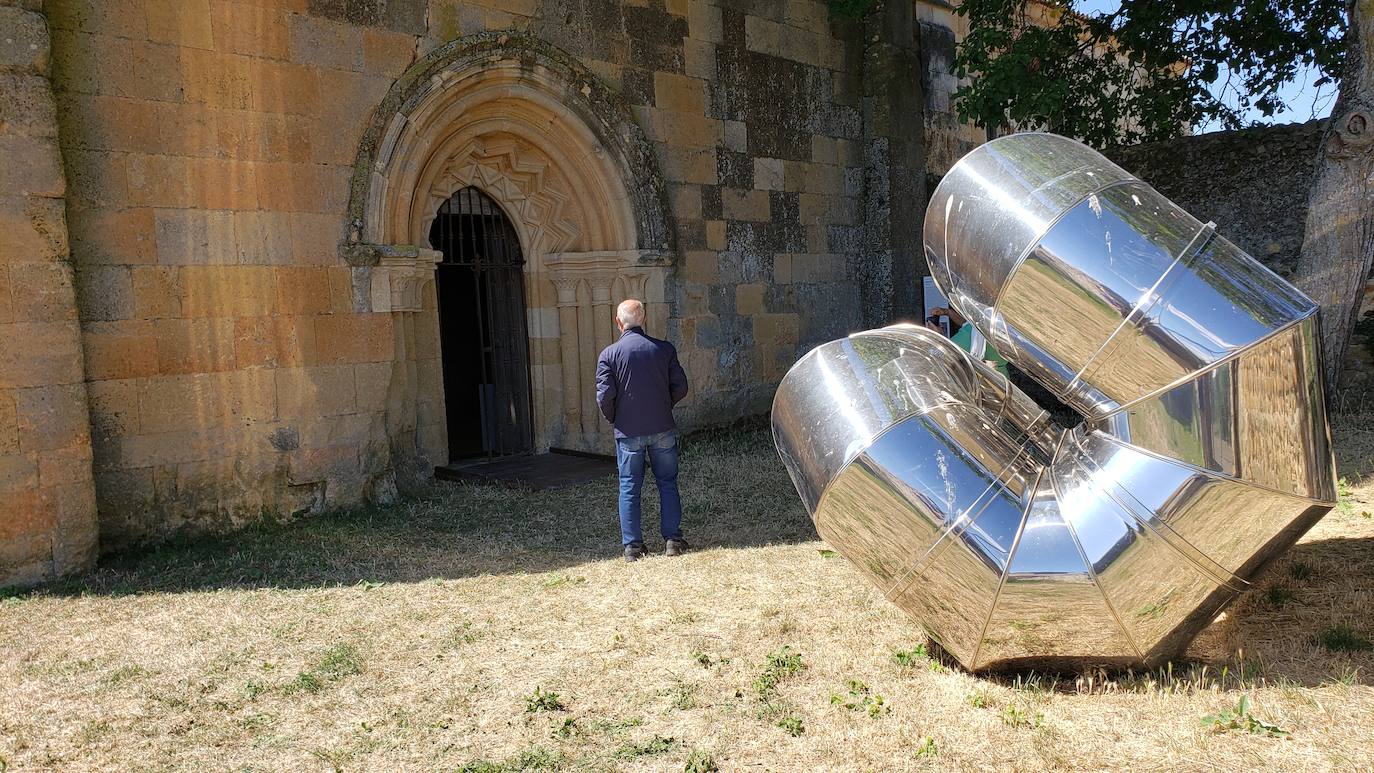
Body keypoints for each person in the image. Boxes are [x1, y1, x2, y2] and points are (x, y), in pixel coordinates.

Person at [595, 299, 690, 562]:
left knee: (629, 487)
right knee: (667, 483)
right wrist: (663, 405)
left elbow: (604, 397)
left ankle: (633, 548)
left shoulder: (609, 355)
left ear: (618, 322)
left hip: (628, 431)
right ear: (643, 319)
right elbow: (681, 386)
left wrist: (617, 418)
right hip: (662, 427)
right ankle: (673, 541)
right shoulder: (664, 349)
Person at [929, 306, 1010, 378]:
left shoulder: (961, 343)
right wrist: (947, 312)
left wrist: (937, 335)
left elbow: (935, 359)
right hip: (1000, 381)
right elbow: (967, 326)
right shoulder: (997, 327)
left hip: (986, 386)